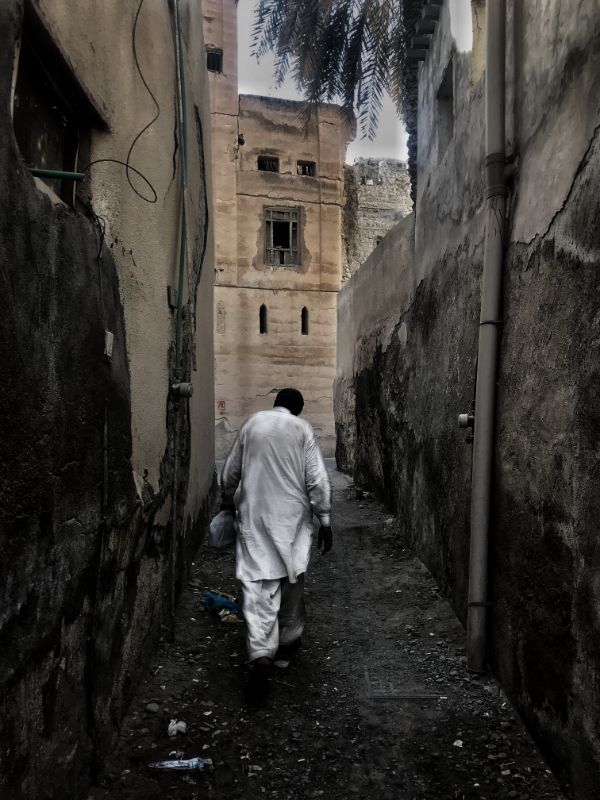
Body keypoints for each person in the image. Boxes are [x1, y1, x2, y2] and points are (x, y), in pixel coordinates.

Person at [220, 388, 332, 697]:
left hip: (255, 517)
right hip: (293, 520)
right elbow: (316, 479)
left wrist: (227, 502)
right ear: (298, 408)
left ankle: (261, 655)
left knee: (259, 587)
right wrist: (324, 519)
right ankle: (289, 637)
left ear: (275, 403)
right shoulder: (302, 429)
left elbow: (230, 472)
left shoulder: (252, 424)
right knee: (291, 578)